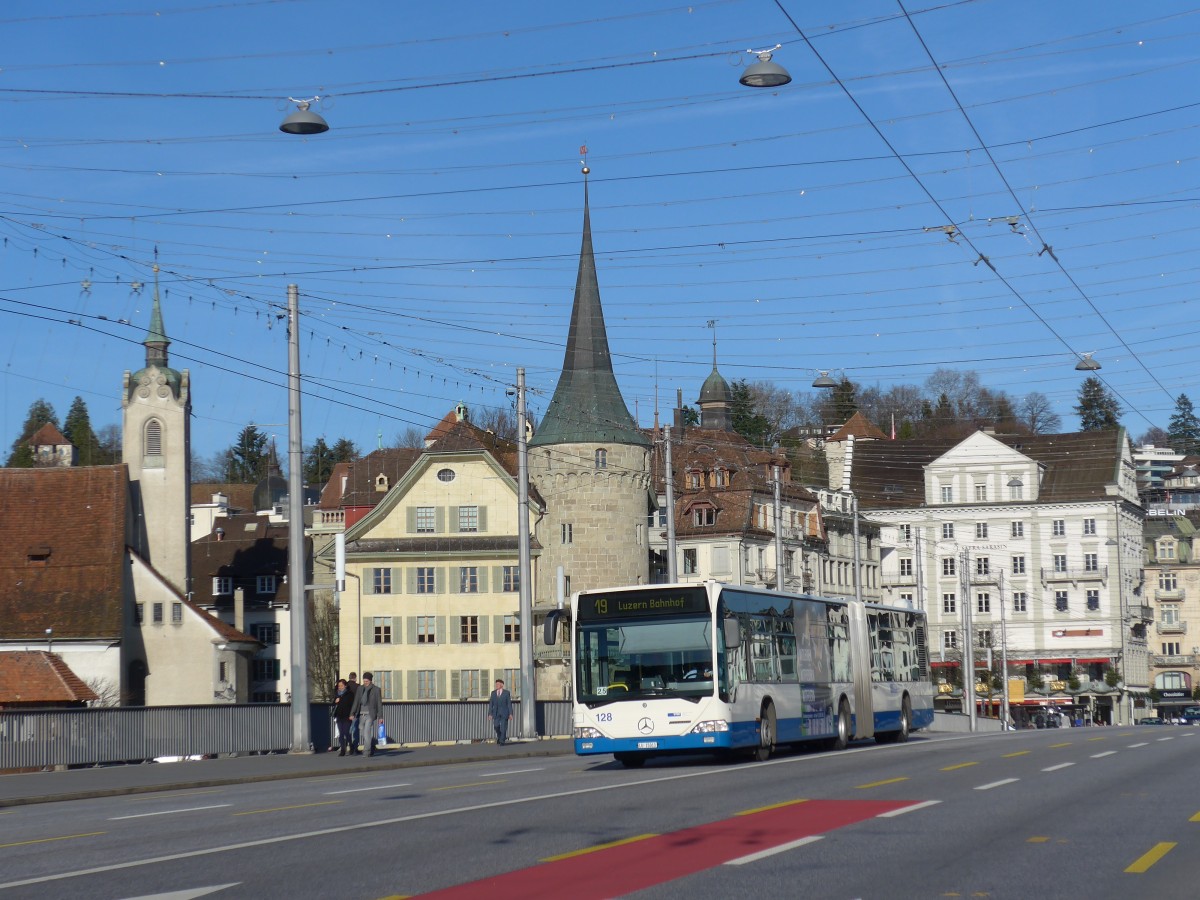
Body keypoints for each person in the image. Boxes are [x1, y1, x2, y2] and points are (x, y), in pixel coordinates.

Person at [350, 672, 384, 757]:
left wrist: (380, 716)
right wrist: (352, 713)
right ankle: (371, 744)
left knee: (366, 731)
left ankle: (366, 751)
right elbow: (356, 701)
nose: (365, 682)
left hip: (370, 714)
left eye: (367, 681)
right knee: (362, 730)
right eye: (364, 681)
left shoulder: (376, 689)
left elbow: (379, 703)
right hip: (361, 714)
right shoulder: (360, 688)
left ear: (370, 680)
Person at [332, 679, 355, 756]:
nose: (340, 687)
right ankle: (343, 750)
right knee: (341, 734)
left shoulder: (350, 694)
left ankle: (351, 745)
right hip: (339, 715)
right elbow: (333, 704)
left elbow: (352, 705)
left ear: (345, 686)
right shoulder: (336, 694)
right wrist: (335, 701)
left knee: (346, 732)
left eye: (341, 685)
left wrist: (352, 714)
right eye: (339, 686)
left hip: (347, 716)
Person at [488, 679, 513, 746]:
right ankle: (500, 737)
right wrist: (490, 713)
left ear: (502, 685)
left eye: (498, 684)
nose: (497, 685)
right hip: (496, 712)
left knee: (503, 727)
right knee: (496, 726)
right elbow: (491, 704)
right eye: (496, 684)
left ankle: (502, 741)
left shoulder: (506, 693)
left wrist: (510, 713)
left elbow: (509, 704)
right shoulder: (493, 693)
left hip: (504, 712)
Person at [346, 672, 360, 753]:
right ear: (355, 678)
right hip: (355, 711)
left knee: (346, 729)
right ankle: (355, 747)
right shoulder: (358, 687)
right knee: (355, 729)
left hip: (346, 710)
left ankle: (348, 745)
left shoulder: (345, 686)